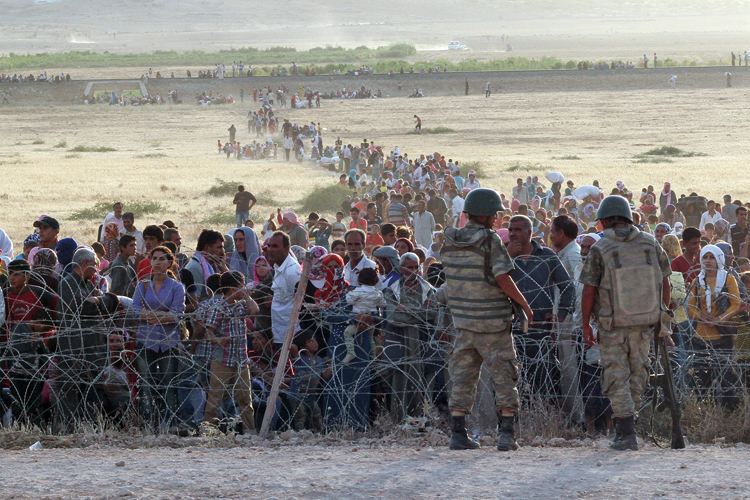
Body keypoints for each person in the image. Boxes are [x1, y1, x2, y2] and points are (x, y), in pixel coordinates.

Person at [441, 188, 533, 451]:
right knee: (504, 376)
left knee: (462, 377)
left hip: (463, 321)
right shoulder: (490, 240)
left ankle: (458, 433)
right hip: (493, 323)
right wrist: (524, 304)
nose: (496, 219)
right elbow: (503, 277)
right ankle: (506, 435)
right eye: (494, 214)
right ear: (486, 215)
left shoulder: (449, 240)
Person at [580, 195, 672, 451]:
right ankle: (629, 426)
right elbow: (665, 281)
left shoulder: (601, 248)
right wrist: (661, 313)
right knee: (637, 375)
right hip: (644, 324)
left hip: (613, 326)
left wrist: (587, 324)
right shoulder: (650, 243)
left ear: (606, 220)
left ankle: (625, 431)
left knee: (615, 377)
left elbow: (589, 289)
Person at [55, 247, 120, 433]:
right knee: (72, 394)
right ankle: (69, 431)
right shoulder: (68, 284)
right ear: (85, 263)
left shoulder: (86, 284)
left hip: (91, 351)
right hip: (74, 350)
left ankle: (88, 430)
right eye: (95, 265)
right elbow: (84, 307)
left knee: (91, 394)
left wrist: (99, 301)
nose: (96, 269)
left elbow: (104, 302)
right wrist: (99, 301)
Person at [131, 246, 186, 429]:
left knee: (169, 384)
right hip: (146, 341)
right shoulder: (143, 285)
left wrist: (151, 315)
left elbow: (177, 314)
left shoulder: (177, 287)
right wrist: (161, 316)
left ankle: (171, 424)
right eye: (154, 258)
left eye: (161, 259)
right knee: (147, 385)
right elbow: (135, 311)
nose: (157, 262)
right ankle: (149, 424)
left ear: (169, 263)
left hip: (168, 342)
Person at [202, 270, 259, 432]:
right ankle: (208, 431)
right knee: (215, 397)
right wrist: (219, 340)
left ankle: (250, 431)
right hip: (223, 360)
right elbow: (208, 333)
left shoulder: (240, 306)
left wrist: (246, 295)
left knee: (245, 398)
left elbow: (255, 311)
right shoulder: (218, 308)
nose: (245, 289)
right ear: (234, 289)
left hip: (241, 359)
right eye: (242, 286)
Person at [382, 252, 436, 422]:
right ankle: (400, 420)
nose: (413, 271)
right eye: (409, 267)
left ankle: (422, 418)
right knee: (399, 379)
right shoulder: (392, 290)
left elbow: (432, 313)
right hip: (399, 342)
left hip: (422, 341)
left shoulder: (427, 289)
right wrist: (419, 312)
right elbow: (392, 317)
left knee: (424, 379)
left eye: (416, 267)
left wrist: (406, 309)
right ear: (401, 268)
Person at [686, 245, 741, 407]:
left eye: (712, 257)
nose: (708, 261)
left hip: (721, 336)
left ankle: (727, 411)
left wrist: (719, 319)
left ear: (719, 259)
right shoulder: (698, 280)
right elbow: (690, 307)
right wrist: (701, 316)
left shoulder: (727, 278)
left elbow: (736, 304)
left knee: (725, 376)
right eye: (705, 257)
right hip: (700, 336)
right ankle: (703, 408)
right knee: (701, 376)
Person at [342, 267, 385, 364]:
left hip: (359, 319)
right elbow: (383, 304)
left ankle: (351, 352)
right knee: (370, 338)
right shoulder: (378, 293)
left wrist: (350, 292)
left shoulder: (358, 291)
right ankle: (373, 357)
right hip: (370, 320)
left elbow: (349, 300)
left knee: (347, 333)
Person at [267, 231, 301, 346]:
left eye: (275, 246)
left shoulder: (292, 271)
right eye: (269, 246)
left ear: (286, 248)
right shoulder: (278, 267)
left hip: (291, 337)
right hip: (279, 334)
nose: (270, 249)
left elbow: (299, 304)